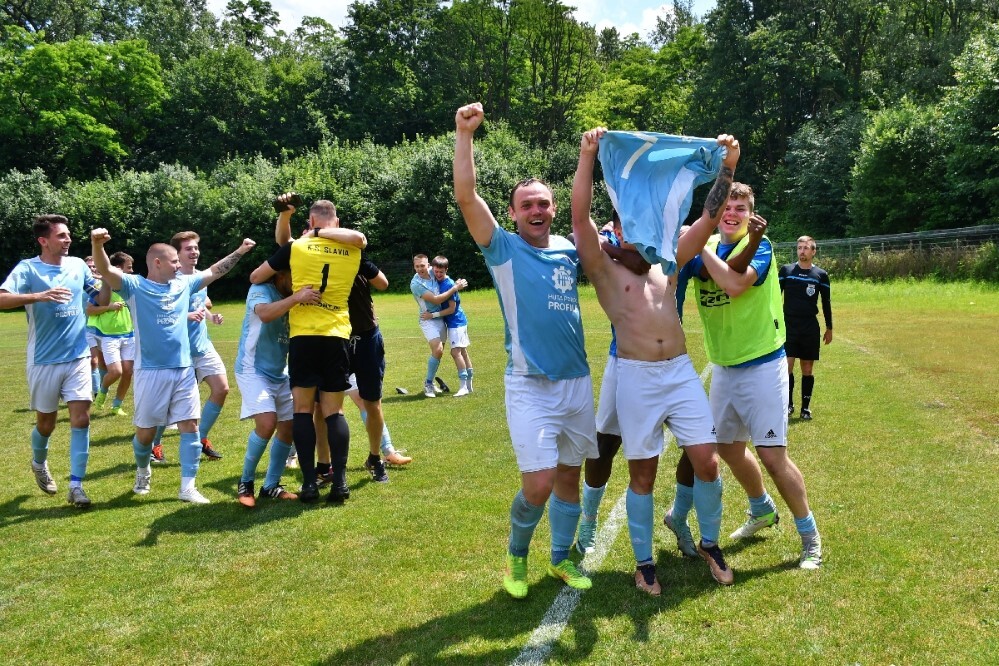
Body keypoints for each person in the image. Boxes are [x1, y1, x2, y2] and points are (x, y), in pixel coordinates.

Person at [571, 127, 740, 594]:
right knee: (641, 471)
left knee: (707, 461)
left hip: (680, 372)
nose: (635, 227)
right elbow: (580, 218)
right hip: (636, 375)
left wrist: (728, 167)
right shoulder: (603, 267)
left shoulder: (668, 257)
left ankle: (709, 542)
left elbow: (707, 220)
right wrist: (588, 157)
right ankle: (644, 563)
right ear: (617, 228)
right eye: (625, 222)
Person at [454, 102, 595, 599]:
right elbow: (467, 197)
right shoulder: (503, 248)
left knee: (569, 480)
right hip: (529, 384)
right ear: (513, 213)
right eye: (526, 205)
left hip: (577, 380)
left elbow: (592, 220)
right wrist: (464, 136)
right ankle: (516, 558)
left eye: (543, 203)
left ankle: (560, 561)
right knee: (538, 484)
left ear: (552, 209)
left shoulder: (569, 247)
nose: (536, 210)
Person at [688, 184, 823, 569]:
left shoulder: (759, 246)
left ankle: (810, 536)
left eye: (741, 207)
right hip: (725, 367)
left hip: (763, 364)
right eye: (726, 206)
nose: (732, 212)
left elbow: (733, 283)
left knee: (772, 455)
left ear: (751, 214)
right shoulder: (710, 240)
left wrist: (698, 245)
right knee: (727, 448)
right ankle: (761, 508)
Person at [91, 228, 255, 504]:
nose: (180, 266)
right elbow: (106, 270)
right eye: (174, 262)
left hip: (182, 370)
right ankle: (143, 469)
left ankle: (187, 487)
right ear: (157, 262)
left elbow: (215, 271)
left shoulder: (183, 285)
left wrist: (239, 252)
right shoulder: (135, 287)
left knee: (190, 426)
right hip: (150, 372)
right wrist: (97, 243)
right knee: (144, 435)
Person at [272, 197, 411, 479]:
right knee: (322, 408)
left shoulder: (350, 248)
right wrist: (286, 218)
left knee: (369, 401)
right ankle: (325, 465)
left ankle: (377, 455)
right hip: (333, 336)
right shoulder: (306, 249)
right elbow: (284, 246)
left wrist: (355, 267)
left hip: (362, 333)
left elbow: (382, 281)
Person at [249, 197, 366, 504]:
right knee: (334, 412)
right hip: (337, 334)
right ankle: (339, 483)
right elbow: (360, 239)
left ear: (311, 222)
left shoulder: (296, 247)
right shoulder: (352, 248)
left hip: (303, 336)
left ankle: (310, 484)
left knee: (302, 411)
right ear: (336, 223)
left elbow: (257, 276)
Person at [0, 215, 101, 508]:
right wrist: (39, 296)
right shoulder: (28, 268)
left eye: (68, 235)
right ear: (43, 241)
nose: (68, 239)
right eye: (61, 236)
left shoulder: (78, 266)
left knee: (81, 418)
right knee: (47, 423)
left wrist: (105, 276)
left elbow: (98, 296)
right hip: (43, 359)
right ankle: (38, 461)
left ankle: (76, 486)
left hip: (78, 355)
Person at [234, 270, 317, 507]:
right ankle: (246, 482)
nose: (297, 282)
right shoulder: (260, 289)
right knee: (267, 423)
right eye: (294, 275)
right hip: (252, 369)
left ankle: (271, 486)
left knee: (288, 427)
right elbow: (265, 314)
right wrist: (296, 298)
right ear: (280, 274)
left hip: (281, 372)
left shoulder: (295, 294)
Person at [171, 231, 229, 460]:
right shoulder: (169, 280)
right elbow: (162, 312)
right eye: (188, 248)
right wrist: (186, 316)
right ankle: (154, 446)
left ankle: (200, 438)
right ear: (176, 253)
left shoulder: (200, 277)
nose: (194, 252)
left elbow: (199, 305)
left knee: (222, 389)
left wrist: (210, 316)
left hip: (202, 346)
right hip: (178, 351)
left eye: (195, 248)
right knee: (170, 403)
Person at [779, 236, 833, 420]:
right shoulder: (786, 271)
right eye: (799, 247)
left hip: (809, 326)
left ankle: (805, 408)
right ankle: (788, 405)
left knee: (807, 369)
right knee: (787, 367)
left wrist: (829, 327)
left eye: (806, 248)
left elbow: (826, 302)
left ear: (813, 251)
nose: (802, 251)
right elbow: (774, 297)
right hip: (789, 326)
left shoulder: (820, 275)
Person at [410, 254, 466, 398]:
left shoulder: (432, 271)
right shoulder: (416, 284)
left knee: (438, 353)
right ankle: (428, 384)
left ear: (428, 265)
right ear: (414, 267)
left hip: (440, 317)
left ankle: (432, 382)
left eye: (422, 265)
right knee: (438, 349)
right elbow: (435, 300)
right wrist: (455, 288)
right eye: (417, 266)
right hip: (427, 318)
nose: (420, 269)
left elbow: (443, 273)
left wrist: (456, 282)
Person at [89, 251, 135, 417]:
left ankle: (117, 405)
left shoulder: (130, 287)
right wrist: (109, 307)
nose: (131, 271)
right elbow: (89, 310)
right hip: (109, 336)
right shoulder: (102, 288)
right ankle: (102, 391)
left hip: (129, 335)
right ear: (117, 268)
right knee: (116, 372)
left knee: (128, 372)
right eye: (128, 268)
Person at [425, 255, 474, 397]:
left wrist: (432, 315)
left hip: (456, 322)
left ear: (446, 270)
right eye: (436, 271)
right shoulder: (437, 278)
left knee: (455, 353)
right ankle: (469, 386)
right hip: (456, 322)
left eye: (441, 272)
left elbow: (452, 309)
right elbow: (424, 269)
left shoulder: (448, 284)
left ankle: (463, 386)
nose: (438, 274)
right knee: (463, 352)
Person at [83, 256, 106, 397]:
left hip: (103, 329)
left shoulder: (103, 286)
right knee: (93, 360)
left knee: (104, 364)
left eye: (93, 266)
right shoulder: (79, 285)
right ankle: (96, 391)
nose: (91, 269)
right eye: (88, 267)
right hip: (84, 328)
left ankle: (103, 390)